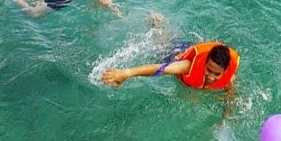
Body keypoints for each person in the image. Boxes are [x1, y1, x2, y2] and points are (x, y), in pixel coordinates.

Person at [101, 41, 239, 92]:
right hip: (176, 54)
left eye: (217, 74)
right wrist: (126, 73)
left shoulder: (229, 77)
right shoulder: (188, 66)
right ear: (205, 62)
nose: (211, 77)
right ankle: (159, 26)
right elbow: (160, 69)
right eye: (209, 70)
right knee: (164, 46)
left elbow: (230, 95)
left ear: (225, 71)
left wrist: (225, 119)